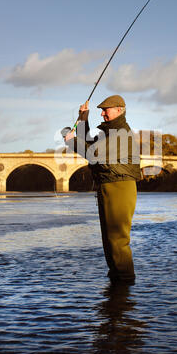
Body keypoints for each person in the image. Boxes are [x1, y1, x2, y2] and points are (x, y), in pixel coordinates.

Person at [63, 95, 141, 284]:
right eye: (101, 110)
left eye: (106, 109)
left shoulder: (121, 131)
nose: (103, 113)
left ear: (120, 109)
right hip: (107, 185)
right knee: (109, 240)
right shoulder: (109, 132)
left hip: (120, 186)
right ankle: (116, 282)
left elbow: (93, 153)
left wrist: (71, 141)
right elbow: (89, 144)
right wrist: (83, 117)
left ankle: (125, 282)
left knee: (117, 239)